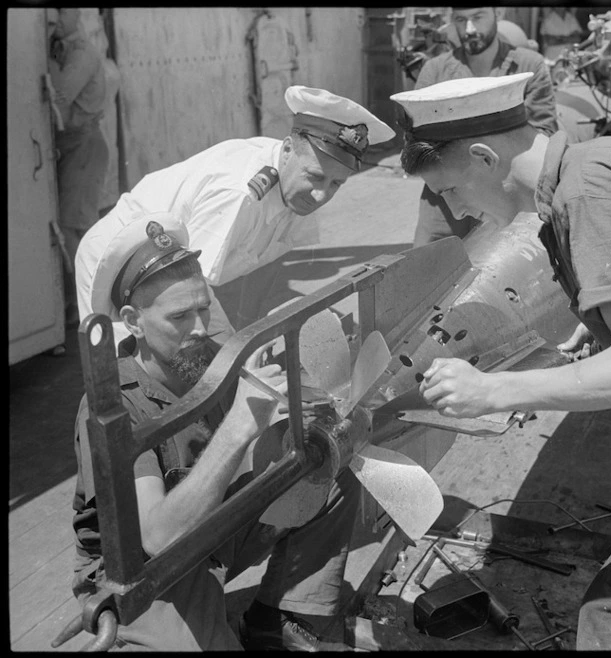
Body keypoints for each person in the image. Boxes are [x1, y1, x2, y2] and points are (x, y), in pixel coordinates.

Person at [391, 73, 611, 649]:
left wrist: (496, 393)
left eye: (451, 191)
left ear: (485, 158)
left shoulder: (585, 195)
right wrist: (605, 329)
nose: (455, 209)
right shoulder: (602, 159)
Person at [71, 213, 360, 651]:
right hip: (143, 572)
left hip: (213, 529)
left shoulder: (208, 360)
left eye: (204, 307)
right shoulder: (112, 406)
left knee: (327, 467)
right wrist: (241, 423)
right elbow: (158, 539)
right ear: (132, 321)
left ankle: (278, 617)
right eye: (180, 316)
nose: (201, 328)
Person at [75, 86, 395, 346]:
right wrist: (235, 354)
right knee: (127, 364)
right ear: (287, 149)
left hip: (176, 266)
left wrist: (256, 335)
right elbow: (192, 285)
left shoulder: (300, 186)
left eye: (336, 183)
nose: (322, 194)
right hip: (120, 255)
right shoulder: (239, 195)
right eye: (315, 176)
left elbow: (264, 268)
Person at [410, 6, 558, 247]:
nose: (469, 29)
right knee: (429, 270)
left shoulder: (529, 65)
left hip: (506, 194)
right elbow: (415, 143)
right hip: (446, 199)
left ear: (498, 14)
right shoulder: (435, 70)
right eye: (461, 19)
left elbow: (544, 131)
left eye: (478, 17)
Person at [48, 7, 109, 327]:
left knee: (75, 228)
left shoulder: (82, 54)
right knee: (73, 227)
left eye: (60, 13)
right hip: (69, 148)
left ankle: (90, 307)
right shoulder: (64, 49)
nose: (54, 19)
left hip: (84, 146)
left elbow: (58, 97)